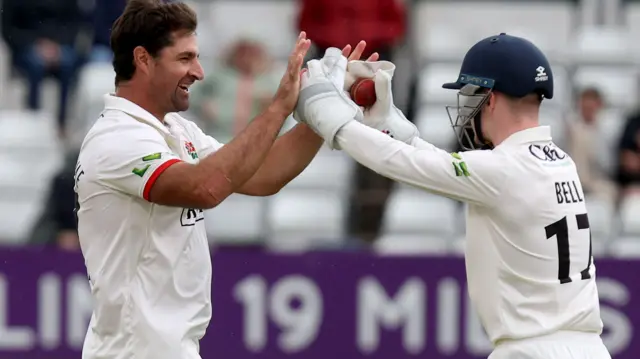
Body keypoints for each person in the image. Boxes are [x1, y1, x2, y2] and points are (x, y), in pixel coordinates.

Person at [73, 1, 376, 358]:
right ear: (142, 59)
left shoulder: (176, 130)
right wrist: (279, 106)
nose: (199, 72)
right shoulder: (118, 137)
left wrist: (326, 109)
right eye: (185, 58)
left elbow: (262, 174)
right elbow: (207, 187)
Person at [294, 34, 610, 358]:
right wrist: (390, 127)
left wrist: (328, 112)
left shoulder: (503, 170)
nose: (468, 107)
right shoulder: (559, 163)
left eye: (472, 94)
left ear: (491, 99)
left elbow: (405, 165)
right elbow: (448, 167)